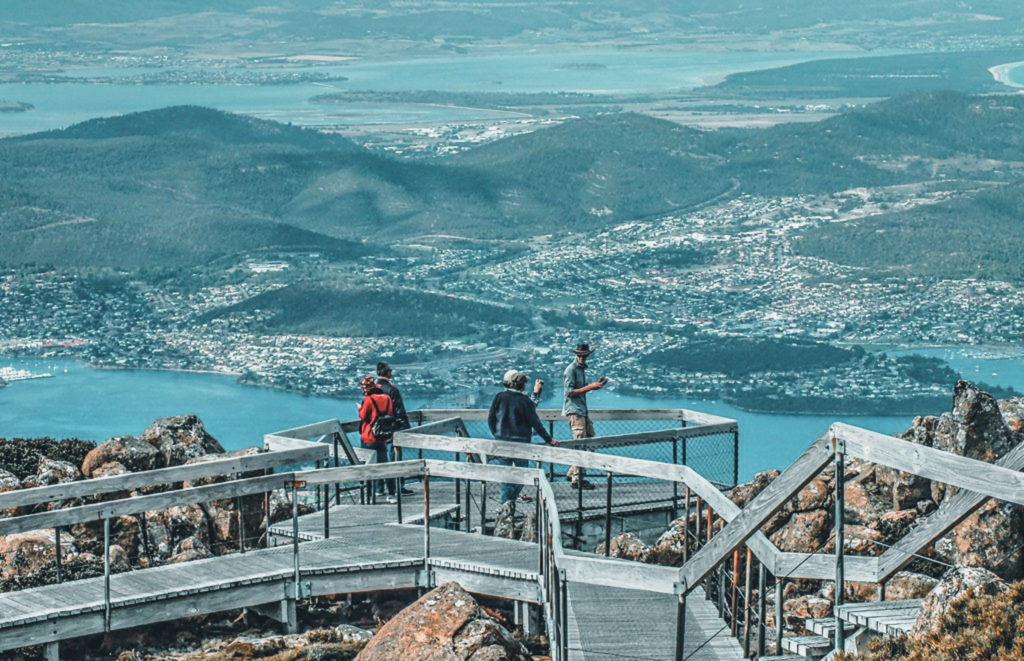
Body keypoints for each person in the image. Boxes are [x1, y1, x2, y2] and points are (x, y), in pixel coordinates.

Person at [487, 369, 558, 509]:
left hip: (502, 443)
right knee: (522, 476)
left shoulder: (499, 397)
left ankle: (505, 507)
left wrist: (497, 434)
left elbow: (491, 419)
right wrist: (549, 439)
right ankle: (508, 504)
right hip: (521, 444)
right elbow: (535, 423)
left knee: (506, 477)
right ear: (522, 385)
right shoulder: (524, 401)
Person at [562, 342, 608, 489]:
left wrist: (595, 386)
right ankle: (578, 479)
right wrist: (590, 387)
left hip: (582, 410)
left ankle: (572, 472)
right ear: (576, 355)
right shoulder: (571, 370)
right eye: (580, 356)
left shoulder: (580, 369)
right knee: (580, 443)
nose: (582, 358)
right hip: (575, 411)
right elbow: (569, 393)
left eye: (585, 356)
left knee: (590, 441)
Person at [376, 361, 414, 496]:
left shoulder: (373, 388)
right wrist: (405, 428)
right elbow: (399, 410)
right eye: (390, 370)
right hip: (391, 428)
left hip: (376, 429)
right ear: (387, 373)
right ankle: (398, 486)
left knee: (379, 458)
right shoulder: (392, 390)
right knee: (395, 457)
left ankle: (379, 488)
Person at [358, 375, 397, 503]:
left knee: (368, 467)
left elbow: (363, 416)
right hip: (382, 436)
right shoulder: (387, 398)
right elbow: (390, 414)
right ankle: (391, 493)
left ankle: (369, 495)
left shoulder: (368, 400)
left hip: (369, 436)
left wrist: (360, 408)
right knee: (384, 465)